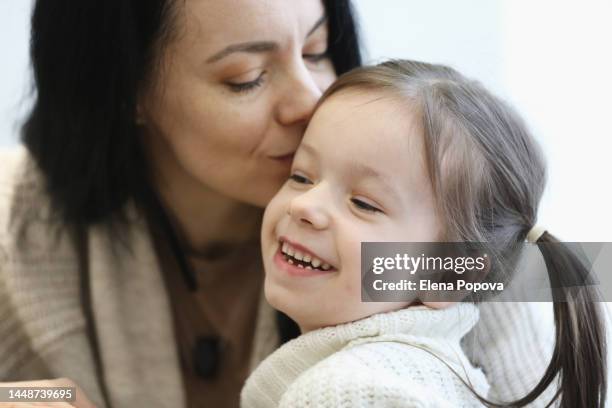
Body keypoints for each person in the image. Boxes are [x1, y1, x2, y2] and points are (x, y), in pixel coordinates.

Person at [0, 1, 556, 407]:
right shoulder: (16, 221)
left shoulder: (444, 220)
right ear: (127, 92)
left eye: (317, 50)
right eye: (247, 78)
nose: (311, 100)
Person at [241, 60, 607, 407]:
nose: (303, 206)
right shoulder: (420, 372)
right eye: (301, 176)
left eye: (364, 204)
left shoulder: (344, 391)